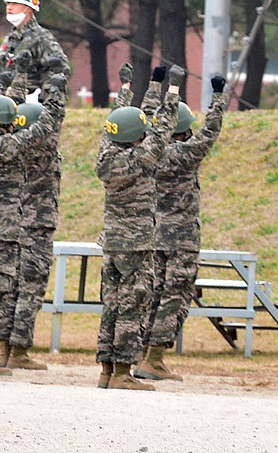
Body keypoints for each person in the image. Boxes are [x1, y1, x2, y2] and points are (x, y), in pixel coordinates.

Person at [0, 75, 65, 376]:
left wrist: (11, 82)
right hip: (1, 230)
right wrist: (56, 95)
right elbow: (44, 128)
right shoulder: (8, 147)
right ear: (6, 124)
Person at [135, 73, 229, 381]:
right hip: (182, 238)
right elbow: (211, 131)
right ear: (185, 131)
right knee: (175, 296)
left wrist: (154, 86)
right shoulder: (184, 154)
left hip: (155, 234)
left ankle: (144, 356)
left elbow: (150, 117)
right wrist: (218, 95)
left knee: (155, 293)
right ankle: (155, 358)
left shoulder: (148, 150)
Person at [94, 64, 181, 391]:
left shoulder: (106, 154)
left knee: (112, 305)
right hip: (136, 244)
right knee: (133, 304)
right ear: (136, 138)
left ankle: (106, 370)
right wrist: (171, 92)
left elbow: (115, 124)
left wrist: (127, 88)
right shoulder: (140, 158)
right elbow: (162, 132)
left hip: (112, 242)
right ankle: (122, 374)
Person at [0, 53, 69, 370]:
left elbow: (9, 106)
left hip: (14, 224)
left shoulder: (10, 143)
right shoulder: (43, 146)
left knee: (12, 290)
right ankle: (19, 351)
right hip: (37, 226)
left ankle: (6, 349)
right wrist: (57, 87)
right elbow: (55, 116)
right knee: (31, 289)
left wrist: (18, 75)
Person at [0, 0, 71, 97]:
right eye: (8, 3)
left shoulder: (42, 37)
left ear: (29, 9)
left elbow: (61, 69)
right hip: (8, 97)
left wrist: (44, 96)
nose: (9, 7)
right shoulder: (11, 37)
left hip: (31, 100)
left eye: (15, 4)